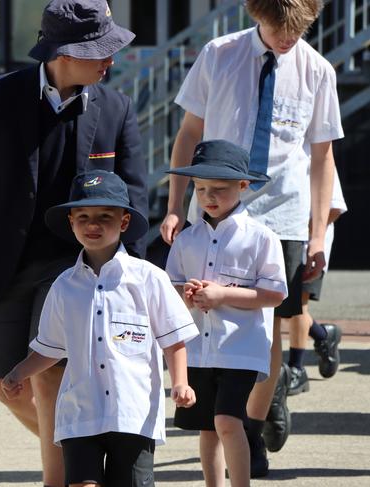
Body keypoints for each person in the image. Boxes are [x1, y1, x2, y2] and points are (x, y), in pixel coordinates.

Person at [0, 1, 147, 484]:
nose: (109, 61)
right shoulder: (0, 98)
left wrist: (126, 271)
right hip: (6, 264)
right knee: (8, 388)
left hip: (76, 268)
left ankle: (66, 478)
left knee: (49, 375)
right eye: (100, 51)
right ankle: (82, 454)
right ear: (64, 53)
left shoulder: (116, 108)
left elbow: (135, 196)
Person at [160, 0, 343, 476]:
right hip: (217, 202)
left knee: (274, 320)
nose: (288, 39)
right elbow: (189, 132)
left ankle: (251, 425)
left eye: (298, 30)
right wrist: (175, 205)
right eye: (280, 28)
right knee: (209, 307)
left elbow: (321, 157)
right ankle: (224, 409)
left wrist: (318, 233)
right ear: (257, 13)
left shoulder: (317, 70)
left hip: (282, 211)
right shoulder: (219, 54)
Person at [1, 170, 199, 487]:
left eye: (104, 216)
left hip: (133, 414)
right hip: (80, 412)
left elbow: (173, 339)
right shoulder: (64, 286)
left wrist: (181, 383)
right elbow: (48, 348)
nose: (93, 225)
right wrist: (18, 373)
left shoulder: (148, 279)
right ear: (71, 222)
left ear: (123, 222)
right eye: (83, 216)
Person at [165, 140, 287, 487]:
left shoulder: (261, 237)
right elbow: (169, 290)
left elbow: (276, 293)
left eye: (218, 189)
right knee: (208, 427)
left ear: (243, 186)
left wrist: (222, 294)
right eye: (201, 189)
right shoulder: (187, 240)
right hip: (199, 351)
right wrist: (185, 295)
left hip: (241, 349)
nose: (208, 197)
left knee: (227, 421)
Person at [282, 168, 347, 396]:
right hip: (283, 238)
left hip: (308, 245)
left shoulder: (317, 158)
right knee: (281, 308)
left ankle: (297, 368)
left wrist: (309, 236)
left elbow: (335, 207)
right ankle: (323, 335)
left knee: (298, 305)